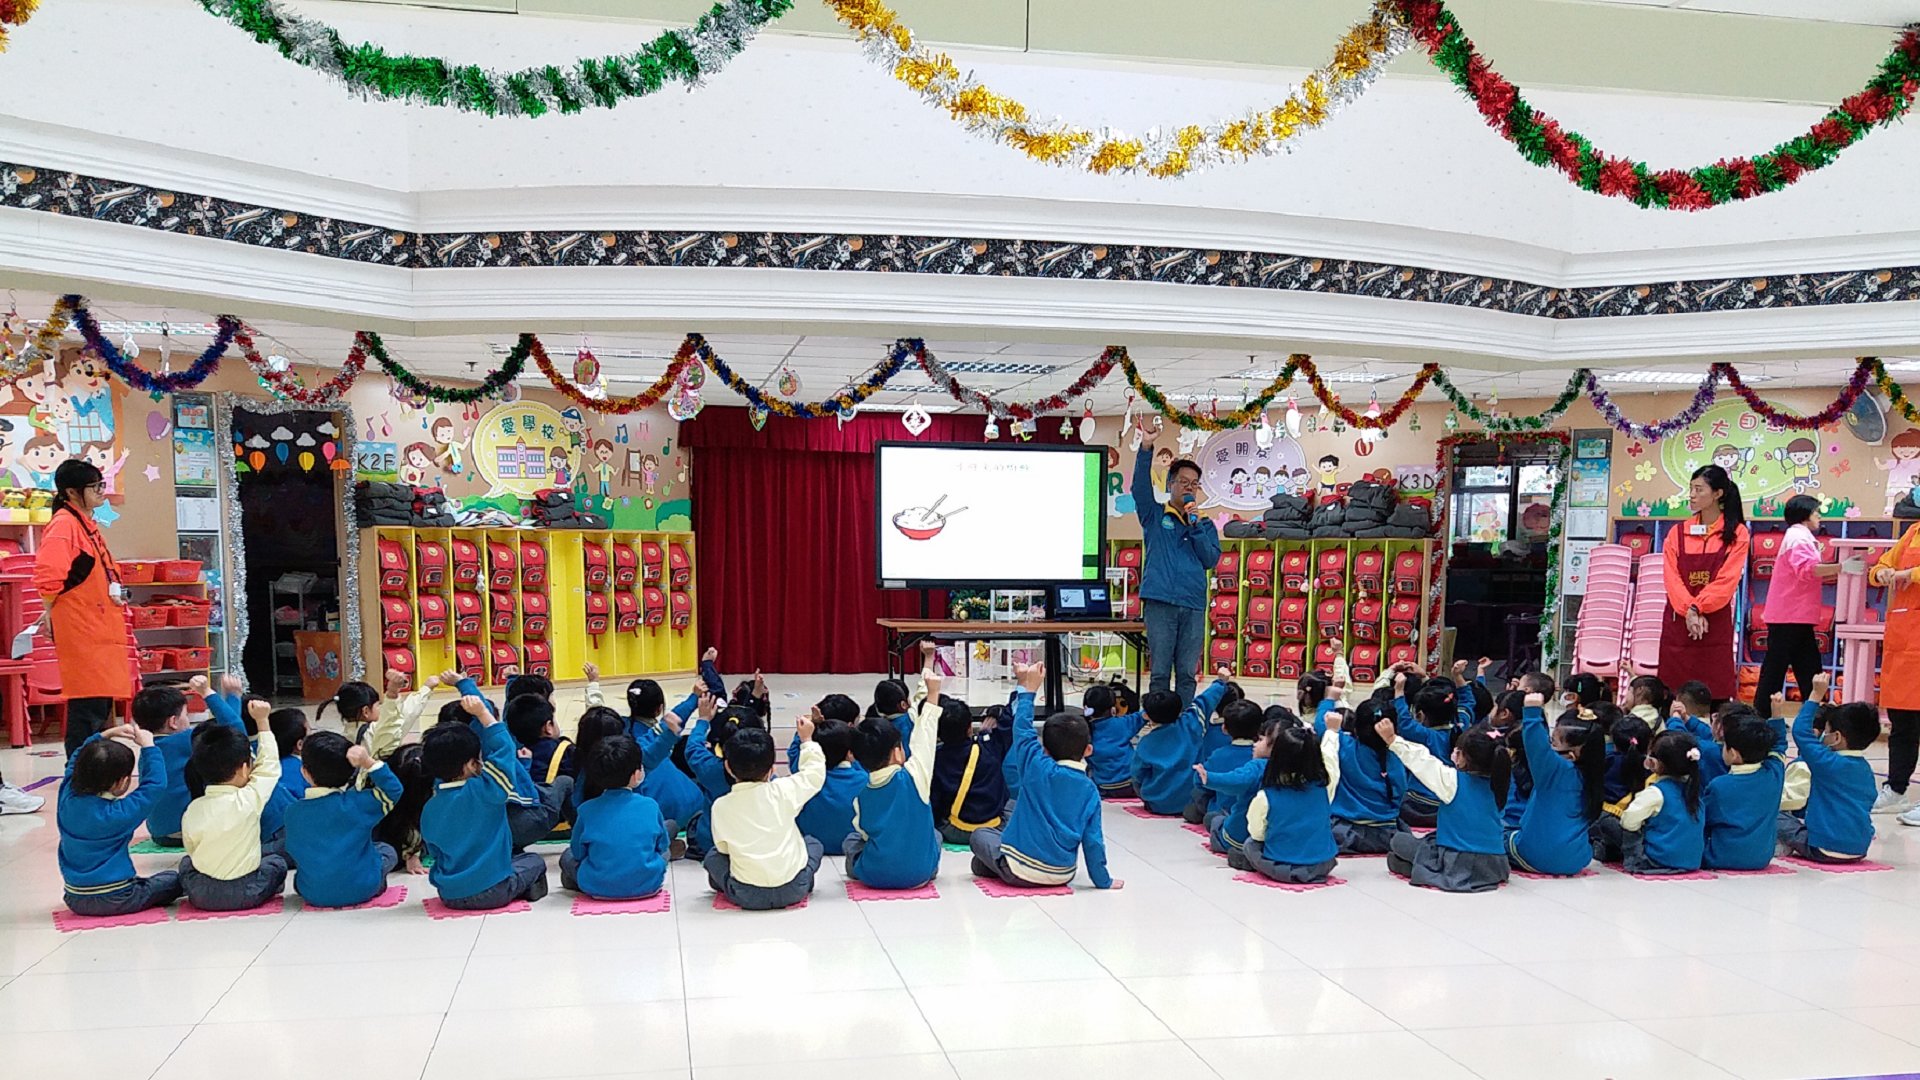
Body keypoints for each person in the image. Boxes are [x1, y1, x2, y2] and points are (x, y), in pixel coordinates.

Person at [969, 663, 1121, 891]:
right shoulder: (1090, 790)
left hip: (1018, 868)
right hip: (1062, 873)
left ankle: (998, 864)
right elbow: (1093, 841)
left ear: (1046, 749)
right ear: (1088, 750)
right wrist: (1104, 881)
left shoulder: (1036, 766)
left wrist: (1027, 689)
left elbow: (1022, 730)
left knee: (980, 835)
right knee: (1005, 822)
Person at [31, 459, 130, 758]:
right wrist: (49, 612)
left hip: (97, 625)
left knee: (97, 705)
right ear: (72, 492)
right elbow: (49, 577)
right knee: (87, 707)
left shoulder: (83, 523)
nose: (102, 491)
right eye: (95, 486)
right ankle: (82, 775)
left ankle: (95, 771)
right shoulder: (64, 525)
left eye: (103, 484)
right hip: (83, 628)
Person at [420, 695, 549, 910]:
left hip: (450, 895)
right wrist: (483, 714)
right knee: (533, 861)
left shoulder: (429, 808)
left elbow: (435, 852)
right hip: (494, 890)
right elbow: (504, 749)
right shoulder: (488, 790)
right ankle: (522, 888)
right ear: (471, 764)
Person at [704, 711, 827, 911]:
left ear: (728, 767)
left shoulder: (721, 805)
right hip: (794, 888)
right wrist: (807, 740)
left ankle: (725, 884)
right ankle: (805, 879)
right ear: (772, 768)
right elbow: (813, 774)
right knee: (813, 844)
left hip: (747, 894)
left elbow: (724, 849)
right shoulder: (784, 790)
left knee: (713, 857)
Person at [58, 724, 182, 917]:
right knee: (174, 879)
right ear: (121, 782)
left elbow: (76, 758)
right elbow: (155, 785)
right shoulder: (119, 813)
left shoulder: (67, 799)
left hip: (75, 898)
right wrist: (149, 746)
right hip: (119, 897)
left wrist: (104, 735)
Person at [179, 700, 288, 912]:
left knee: (185, 864)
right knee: (276, 863)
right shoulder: (248, 799)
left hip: (203, 895)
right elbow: (269, 767)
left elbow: (192, 850)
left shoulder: (193, 808)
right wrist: (263, 722)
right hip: (248, 891)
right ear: (244, 769)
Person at [1380, 719, 1510, 893]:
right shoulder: (1501, 784)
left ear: (1466, 758)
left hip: (1456, 861)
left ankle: (1422, 869)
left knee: (1398, 841)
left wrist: (1392, 740)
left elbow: (1422, 762)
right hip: (1495, 864)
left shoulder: (1453, 781)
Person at [1132, 447, 1220, 705]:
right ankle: (1159, 721)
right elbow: (1139, 487)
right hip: (1160, 603)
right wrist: (1146, 449)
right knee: (1160, 671)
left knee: (1186, 673)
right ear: (1170, 483)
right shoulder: (1155, 515)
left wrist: (1195, 529)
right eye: (1183, 482)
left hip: (1192, 605)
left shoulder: (1204, 525)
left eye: (1194, 484)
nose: (1189, 488)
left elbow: (1210, 559)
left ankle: (1183, 722)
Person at [844, 663, 943, 890]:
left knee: (852, 841)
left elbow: (865, 834)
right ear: (899, 752)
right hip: (921, 873)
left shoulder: (861, 797)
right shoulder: (915, 776)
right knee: (934, 836)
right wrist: (933, 694)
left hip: (875, 876)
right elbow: (925, 737)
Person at [1660, 464, 1750, 703]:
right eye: (1690, 489)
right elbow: (1672, 578)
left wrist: (1697, 608)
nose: (1692, 495)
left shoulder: (1738, 533)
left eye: (1699, 490)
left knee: (1716, 693)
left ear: (1718, 494)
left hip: (1714, 620)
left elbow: (1727, 581)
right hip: (1679, 619)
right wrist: (1689, 611)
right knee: (1673, 692)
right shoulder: (1676, 533)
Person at [284, 732, 405, 908]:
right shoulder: (357, 803)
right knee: (387, 850)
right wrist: (368, 762)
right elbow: (393, 790)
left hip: (313, 893)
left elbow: (295, 851)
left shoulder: (292, 812)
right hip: (364, 888)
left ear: (304, 772)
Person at [1755, 495, 1841, 719]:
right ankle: (1764, 715)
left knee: (1805, 667)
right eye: (1816, 512)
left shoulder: (1800, 536)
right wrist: (1841, 567)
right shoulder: (1797, 537)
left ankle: (1813, 716)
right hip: (1789, 615)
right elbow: (1807, 569)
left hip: (1796, 614)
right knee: (1781, 668)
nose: (1819, 516)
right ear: (1804, 514)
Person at [1230, 716, 1341, 884]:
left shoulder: (1266, 797)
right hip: (1323, 864)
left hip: (1283, 865)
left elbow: (1257, 833)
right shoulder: (1324, 786)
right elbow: (1331, 759)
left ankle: (1256, 865)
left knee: (1249, 845)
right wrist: (1332, 733)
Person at [1779, 675, 1877, 863]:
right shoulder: (1866, 770)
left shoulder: (1826, 761)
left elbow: (1800, 732)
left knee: (1774, 816)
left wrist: (1815, 695)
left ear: (1836, 737)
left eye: (1827, 731)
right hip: (1859, 848)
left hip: (1822, 847)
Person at [563, 735, 672, 901]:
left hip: (596, 886)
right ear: (636, 774)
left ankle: (576, 881)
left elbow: (578, 853)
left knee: (566, 856)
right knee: (666, 841)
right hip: (648, 884)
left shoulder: (586, 810)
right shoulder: (650, 805)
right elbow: (662, 845)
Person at [1506, 698, 1605, 877]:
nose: (1549, 747)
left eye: (1553, 743)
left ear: (1572, 754)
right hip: (1577, 860)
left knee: (1499, 837)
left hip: (1534, 856)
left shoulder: (1554, 770)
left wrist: (1532, 713)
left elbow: (1536, 747)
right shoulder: (1594, 777)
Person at [1131, 669, 1235, 816]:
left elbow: (1137, 775)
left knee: (1137, 776)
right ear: (1180, 709)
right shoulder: (1191, 724)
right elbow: (1205, 700)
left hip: (1158, 803)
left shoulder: (1145, 743)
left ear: (1147, 716)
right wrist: (1220, 682)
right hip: (1189, 800)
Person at [1869, 523, 1920, 818]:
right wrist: (1882, 572)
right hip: (1905, 638)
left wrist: (1907, 575)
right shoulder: (1913, 531)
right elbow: (1884, 562)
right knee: (1902, 721)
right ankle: (1896, 788)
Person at [1702, 710, 1789, 871]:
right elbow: (1779, 747)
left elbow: (1705, 818)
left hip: (1718, 857)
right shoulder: (1775, 773)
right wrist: (1777, 715)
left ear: (1733, 754)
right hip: (1762, 858)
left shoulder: (1719, 785)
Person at [1617, 730, 1706, 875]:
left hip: (1657, 860)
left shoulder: (1656, 792)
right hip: (1692, 861)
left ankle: (1632, 860)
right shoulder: (1694, 791)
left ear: (1655, 763)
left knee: (1608, 823)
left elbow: (1628, 820)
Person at [930, 694, 1011, 847]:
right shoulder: (989, 747)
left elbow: (934, 801)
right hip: (992, 825)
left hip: (954, 829)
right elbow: (1011, 720)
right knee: (1014, 805)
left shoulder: (936, 758)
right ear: (969, 728)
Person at [1328, 698, 1405, 855]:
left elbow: (1323, 726)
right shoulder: (1398, 755)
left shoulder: (1343, 745)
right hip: (1387, 833)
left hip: (1344, 832)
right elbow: (1401, 792)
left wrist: (1329, 699)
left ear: (1355, 727)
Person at [792, 705, 866, 854]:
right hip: (851, 843)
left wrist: (805, 734)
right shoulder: (865, 779)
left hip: (813, 841)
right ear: (850, 753)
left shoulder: (805, 779)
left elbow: (796, 754)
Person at [1084, 683, 1143, 799]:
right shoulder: (1124, 723)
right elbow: (1146, 715)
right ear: (1113, 709)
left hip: (1103, 787)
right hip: (1131, 785)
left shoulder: (1083, 729)